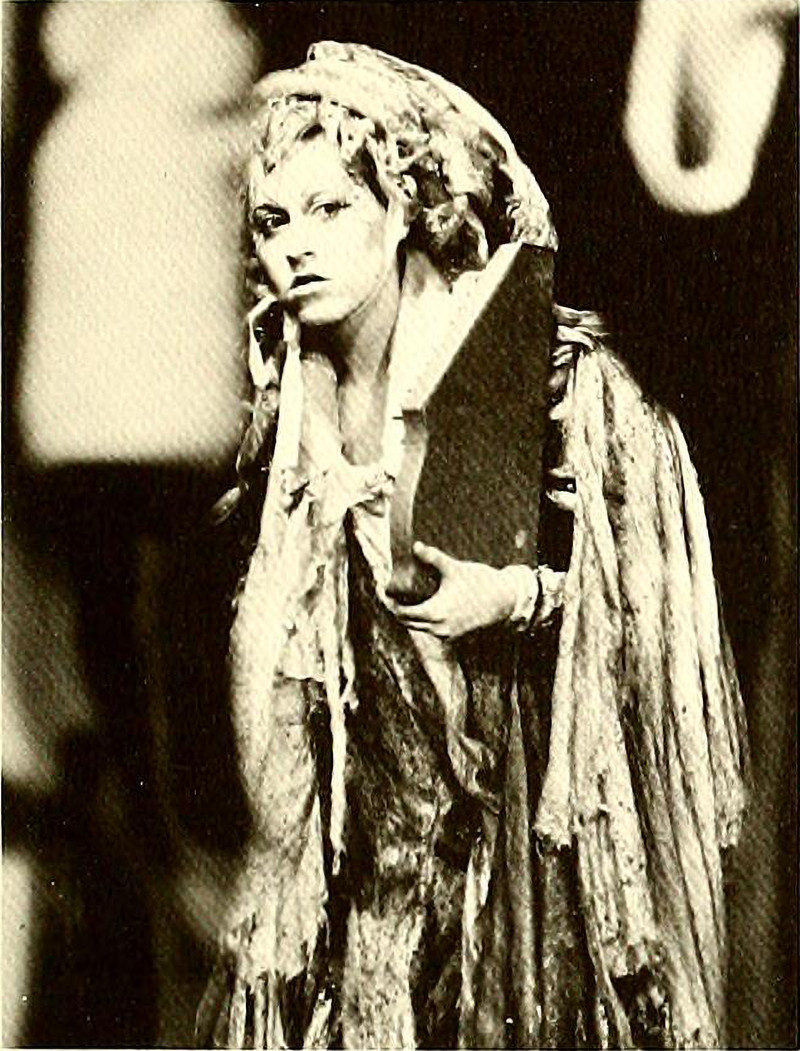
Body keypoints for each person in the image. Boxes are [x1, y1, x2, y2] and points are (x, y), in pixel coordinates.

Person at [196, 41, 748, 1050]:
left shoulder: (554, 385)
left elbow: (653, 608)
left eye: (329, 209)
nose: (297, 249)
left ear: (401, 207)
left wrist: (517, 597)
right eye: (274, 221)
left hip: (516, 871)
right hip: (360, 880)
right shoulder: (278, 414)